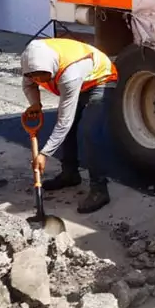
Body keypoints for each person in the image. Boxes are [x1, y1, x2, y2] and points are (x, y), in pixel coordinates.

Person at [20, 38, 117, 214]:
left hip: (101, 78)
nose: (37, 79)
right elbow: (28, 85)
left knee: (90, 131)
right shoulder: (32, 63)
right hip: (80, 80)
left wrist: (44, 154)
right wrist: (35, 104)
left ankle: (100, 189)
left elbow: (64, 122)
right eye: (33, 75)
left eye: (41, 75)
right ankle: (70, 174)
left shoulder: (68, 75)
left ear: (50, 68)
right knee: (70, 129)